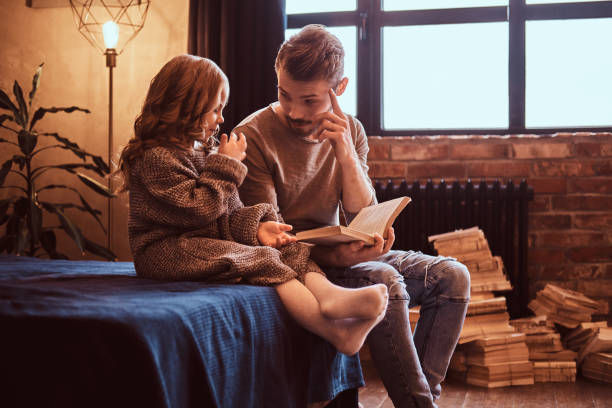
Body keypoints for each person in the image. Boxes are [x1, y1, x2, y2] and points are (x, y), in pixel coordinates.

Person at [235, 25, 470, 407]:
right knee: (385, 279)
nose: (295, 111)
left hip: (344, 254)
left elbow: (363, 214)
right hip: (299, 266)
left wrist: (344, 152)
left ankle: (422, 399)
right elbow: (269, 239)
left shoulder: (352, 130)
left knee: (452, 276)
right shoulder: (253, 136)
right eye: (284, 94)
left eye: (309, 101)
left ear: (339, 89)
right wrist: (335, 257)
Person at [117, 54, 389, 357]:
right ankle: (334, 331)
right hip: (165, 249)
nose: (221, 119)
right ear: (186, 107)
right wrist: (224, 165)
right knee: (260, 259)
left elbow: (225, 212)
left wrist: (258, 227)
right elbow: (197, 211)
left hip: (198, 240)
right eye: (215, 110)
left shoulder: (203, 150)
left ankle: (330, 296)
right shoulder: (157, 158)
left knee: (288, 246)